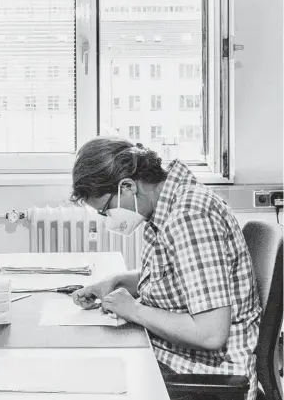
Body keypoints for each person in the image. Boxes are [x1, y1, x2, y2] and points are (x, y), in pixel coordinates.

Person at [70, 137, 262, 400]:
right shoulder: (163, 205)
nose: (107, 220)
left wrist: (135, 310)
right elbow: (175, 277)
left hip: (203, 373)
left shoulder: (191, 217)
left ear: (127, 186)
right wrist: (115, 281)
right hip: (176, 357)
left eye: (105, 211)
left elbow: (210, 333)